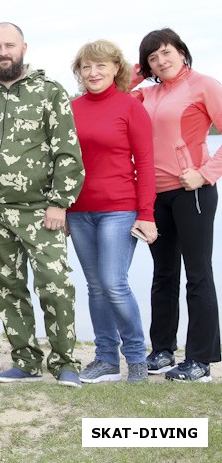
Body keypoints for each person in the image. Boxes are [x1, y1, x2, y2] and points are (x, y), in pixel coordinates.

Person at [0, 22, 85, 387]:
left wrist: (60, 203)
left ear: (24, 47)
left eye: (9, 45)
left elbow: (68, 154)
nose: (3, 52)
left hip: (41, 211)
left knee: (55, 284)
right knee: (7, 288)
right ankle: (25, 361)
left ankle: (65, 363)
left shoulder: (50, 93)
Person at [131, 28, 221, 382]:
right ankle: (163, 351)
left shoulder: (204, 85)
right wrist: (141, 71)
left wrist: (206, 173)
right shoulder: (146, 93)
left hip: (192, 192)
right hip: (155, 195)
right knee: (163, 274)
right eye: (153, 57)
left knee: (198, 275)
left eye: (166, 52)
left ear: (182, 51)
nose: (161, 61)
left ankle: (199, 361)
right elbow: (114, 91)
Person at [67, 40, 156, 384]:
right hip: (79, 211)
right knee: (95, 287)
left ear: (116, 69)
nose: (93, 73)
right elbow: (61, 162)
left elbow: (146, 164)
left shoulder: (130, 108)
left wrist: (146, 214)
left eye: (101, 66)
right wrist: (60, 206)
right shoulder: (71, 108)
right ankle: (105, 358)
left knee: (114, 284)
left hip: (119, 209)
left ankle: (136, 359)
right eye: (86, 67)